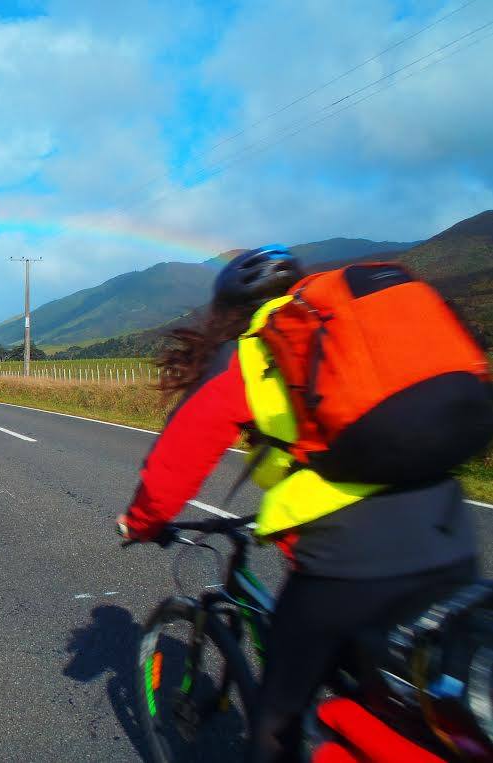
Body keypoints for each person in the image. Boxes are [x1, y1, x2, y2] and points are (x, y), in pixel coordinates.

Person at [116, 245, 481, 762]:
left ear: (229, 312)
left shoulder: (258, 351)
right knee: (420, 710)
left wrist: (141, 522)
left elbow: (177, 457)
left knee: (277, 716)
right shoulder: (353, 331)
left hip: (348, 559)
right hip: (452, 531)